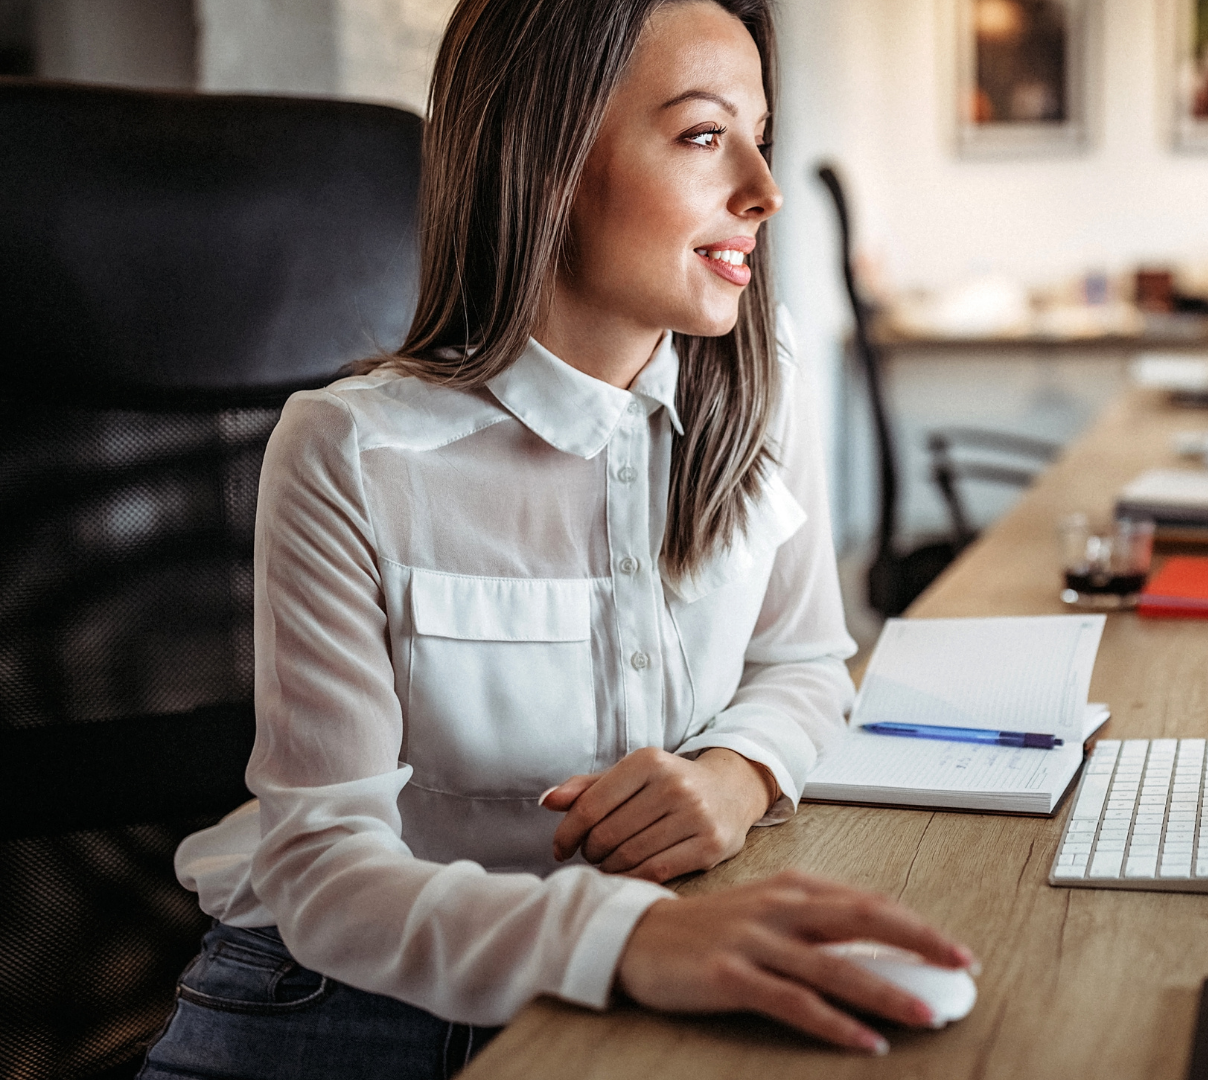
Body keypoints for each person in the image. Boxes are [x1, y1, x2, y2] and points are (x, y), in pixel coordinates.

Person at [139, 2, 971, 1076]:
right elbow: (324, 871)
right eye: (706, 136)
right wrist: (631, 939)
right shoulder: (350, 453)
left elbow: (804, 661)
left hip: (639, 975)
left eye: (761, 133)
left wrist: (735, 774)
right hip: (335, 996)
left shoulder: (768, 382)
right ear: (551, 158)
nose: (764, 191)